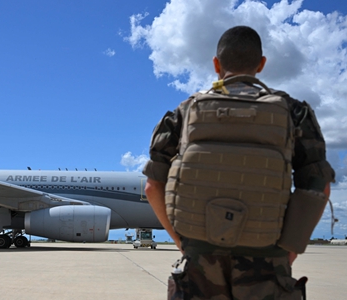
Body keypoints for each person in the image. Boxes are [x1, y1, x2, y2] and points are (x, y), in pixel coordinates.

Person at [143, 26, 335, 299]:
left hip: (199, 263)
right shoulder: (294, 113)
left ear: (216, 64)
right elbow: (318, 188)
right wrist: (287, 252)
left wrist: (183, 243)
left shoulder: (184, 113)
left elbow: (152, 186)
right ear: (261, 64)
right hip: (269, 259)